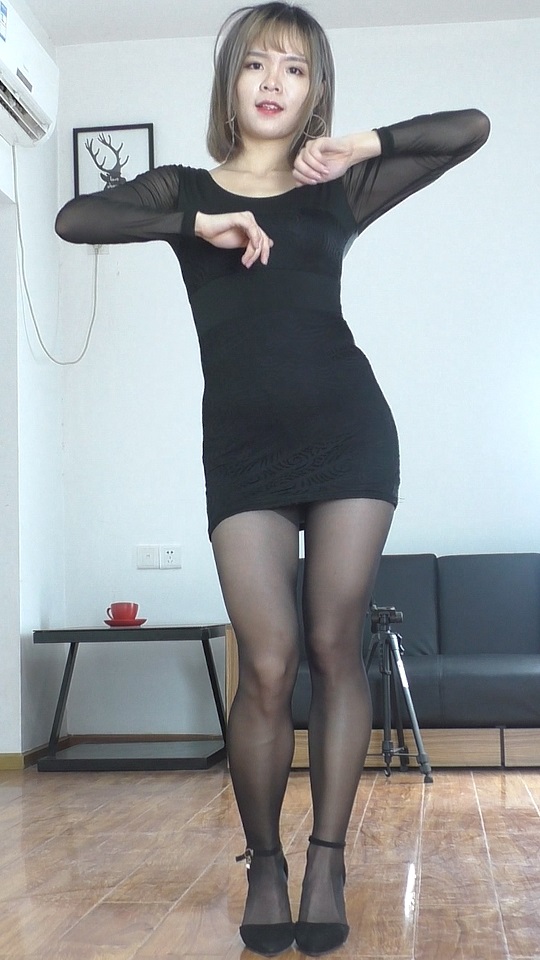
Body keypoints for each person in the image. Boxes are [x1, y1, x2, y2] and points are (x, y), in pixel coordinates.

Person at [55, 3, 490, 955]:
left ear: (314, 90)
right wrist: (199, 221)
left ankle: (327, 859)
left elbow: (471, 128)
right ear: (232, 82)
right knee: (265, 662)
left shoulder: (340, 187)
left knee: (335, 647)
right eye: (257, 64)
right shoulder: (185, 190)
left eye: (295, 69)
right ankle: (265, 862)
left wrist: (358, 144)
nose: (273, 82)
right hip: (244, 448)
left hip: (349, 435)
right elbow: (73, 217)